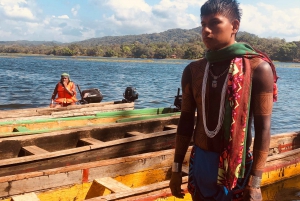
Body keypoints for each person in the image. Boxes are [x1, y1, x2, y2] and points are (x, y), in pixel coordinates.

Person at [169, 0, 278, 200]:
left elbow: (264, 129)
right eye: (203, 24)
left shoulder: (258, 69)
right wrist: (176, 169)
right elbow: (185, 122)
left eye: (214, 23)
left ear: (234, 26)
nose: (206, 30)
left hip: (238, 168)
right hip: (201, 162)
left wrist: (255, 183)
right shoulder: (193, 71)